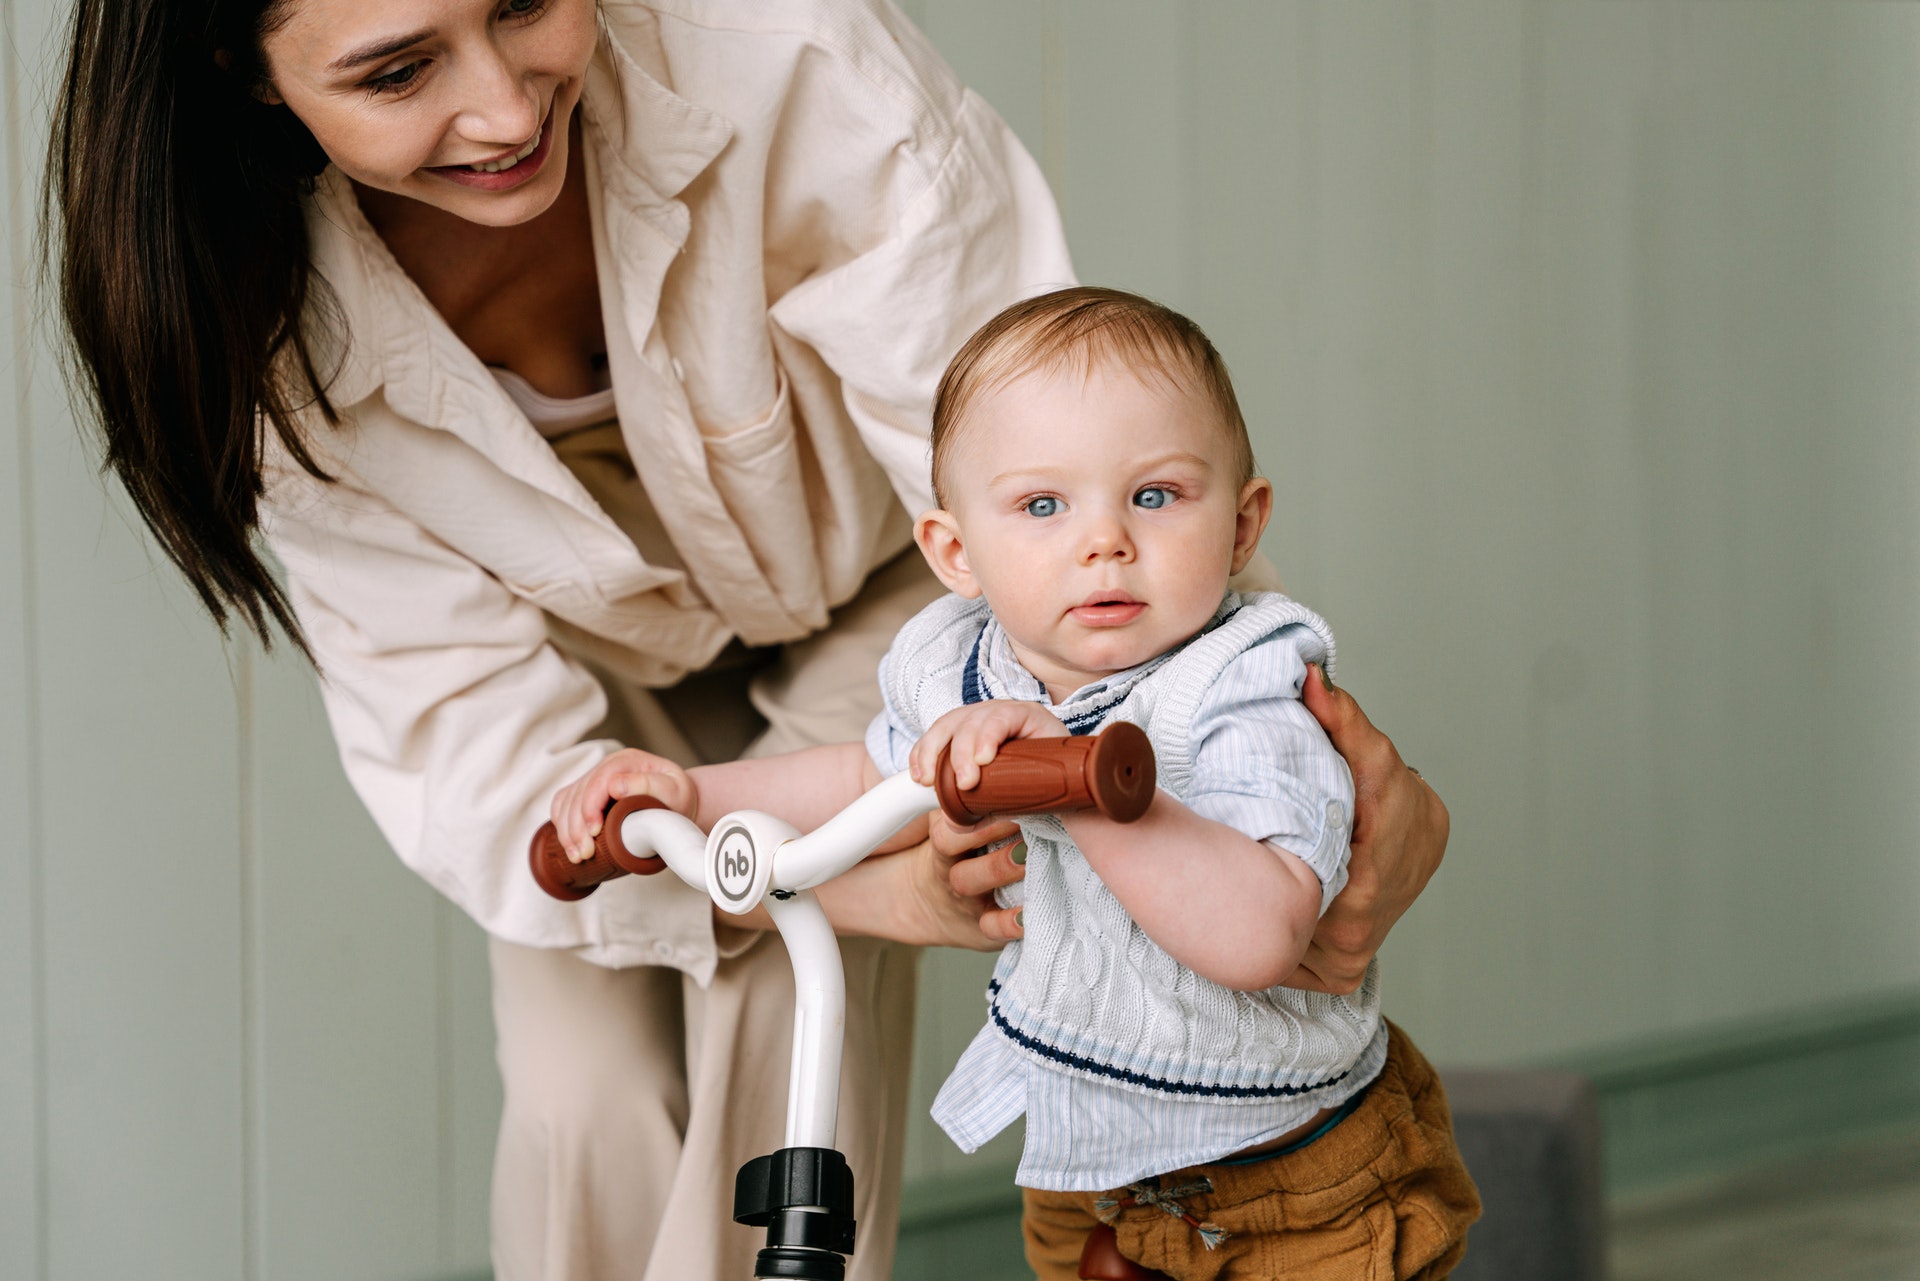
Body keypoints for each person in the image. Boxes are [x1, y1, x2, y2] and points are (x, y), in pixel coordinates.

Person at [48, 0, 1452, 1276]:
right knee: (578, 1091)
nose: (503, 108)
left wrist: (1290, 750)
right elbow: (471, 753)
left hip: (914, 604)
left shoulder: (790, 55)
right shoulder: (253, 332)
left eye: (528, 4)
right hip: (589, 683)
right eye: (399, 69)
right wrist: (832, 881)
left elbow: (1065, 479)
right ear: (241, 64)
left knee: (787, 1011)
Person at [558, 287, 1480, 1280]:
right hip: (1086, 1156)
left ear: (1245, 524)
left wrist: (1076, 781)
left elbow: (1260, 936)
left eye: (1157, 495)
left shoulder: (1245, 689)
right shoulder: (966, 670)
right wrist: (690, 797)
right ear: (957, 553)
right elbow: (861, 776)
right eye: (1043, 506)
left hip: (1288, 1174)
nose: (1105, 542)